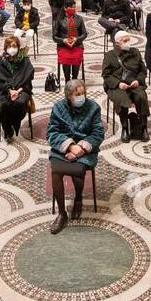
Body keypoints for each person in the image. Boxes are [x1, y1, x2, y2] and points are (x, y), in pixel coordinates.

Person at [45, 78, 106, 234]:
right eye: (76, 94)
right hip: (63, 149)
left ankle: (78, 197)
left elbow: (98, 133)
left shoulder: (93, 108)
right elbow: (52, 132)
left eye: (82, 93)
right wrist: (70, 146)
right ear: (68, 96)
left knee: (78, 170)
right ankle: (61, 213)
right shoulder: (58, 108)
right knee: (56, 172)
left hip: (86, 149)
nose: (81, 96)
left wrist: (81, 147)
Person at [103, 30, 150, 142]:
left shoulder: (135, 52)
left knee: (141, 97)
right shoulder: (110, 55)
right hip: (117, 86)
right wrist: (118, 84)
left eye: (129, 40)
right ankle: (125, 127)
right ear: (117, 42)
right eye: (125, 41)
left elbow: (143, 71)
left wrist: (138, 81)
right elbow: (106, 75)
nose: (128, 43)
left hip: (134, 84)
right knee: (122, 99)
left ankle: (144, 127)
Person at [0, 37, 34, 141]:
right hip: (4, 90)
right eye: (9, 46)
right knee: (4, 104)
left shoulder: (25, 60)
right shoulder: (0, 61)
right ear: (5, 48)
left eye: (14, 46)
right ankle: (7, 129)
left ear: (18, 47)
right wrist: (10, 90)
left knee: (19, 103)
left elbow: (28, 78)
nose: (12, 49)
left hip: (22, 89)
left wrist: (18, 91)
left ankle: (5, 121)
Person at [53, 0, 88, 81]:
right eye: (71, 7)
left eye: (74, 7)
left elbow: (84, 34)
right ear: (65, 8)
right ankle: (67, 80)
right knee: (66, 58)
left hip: (77, 45)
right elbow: (54, 36)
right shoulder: (59, 19)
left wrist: (76, 39)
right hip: (64, 46)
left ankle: (75, 79)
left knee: (76, 57)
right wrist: (63, 40)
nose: (73, 9)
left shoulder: (79, 19)